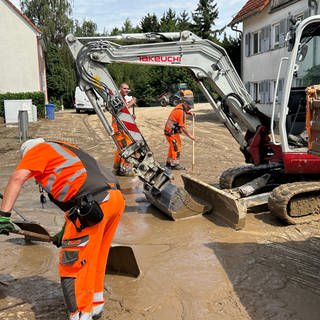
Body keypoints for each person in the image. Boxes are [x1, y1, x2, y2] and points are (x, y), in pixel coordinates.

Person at [0, 138, 125, 320]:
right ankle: (96, 306)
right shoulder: (63, 149)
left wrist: (4, 215)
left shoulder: (36, 150)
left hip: (93, 206)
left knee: (72, 263)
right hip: (112, 200)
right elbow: (74, 198)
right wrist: (64, 232)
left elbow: (16, 178)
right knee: (95, 256)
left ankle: (80, 314)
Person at [164, 90, 195, 170]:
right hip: (171, 132)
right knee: (176, 147)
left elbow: (184, 110)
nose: (189, 108)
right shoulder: (181, 112)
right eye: (189, 107)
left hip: (169, 131)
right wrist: (191, 136)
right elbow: (183, 128)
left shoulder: (180, 106)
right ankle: (174, 164)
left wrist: (189, 113)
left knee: (172, 147)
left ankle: (168, 163)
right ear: (186, 103)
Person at [112, 82, 137, 176]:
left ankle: (116, 168)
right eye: (125, 88)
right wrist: (131, 103)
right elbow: (121, 110)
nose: (126, 90)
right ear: (120, 89)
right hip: (119, 129)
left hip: (122, 127)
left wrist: (131, 117)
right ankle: (124, 168)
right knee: (127, 148)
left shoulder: (122, 99)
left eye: (127, 89)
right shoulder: (118, 99)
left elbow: (123, 114)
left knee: (121, 149)